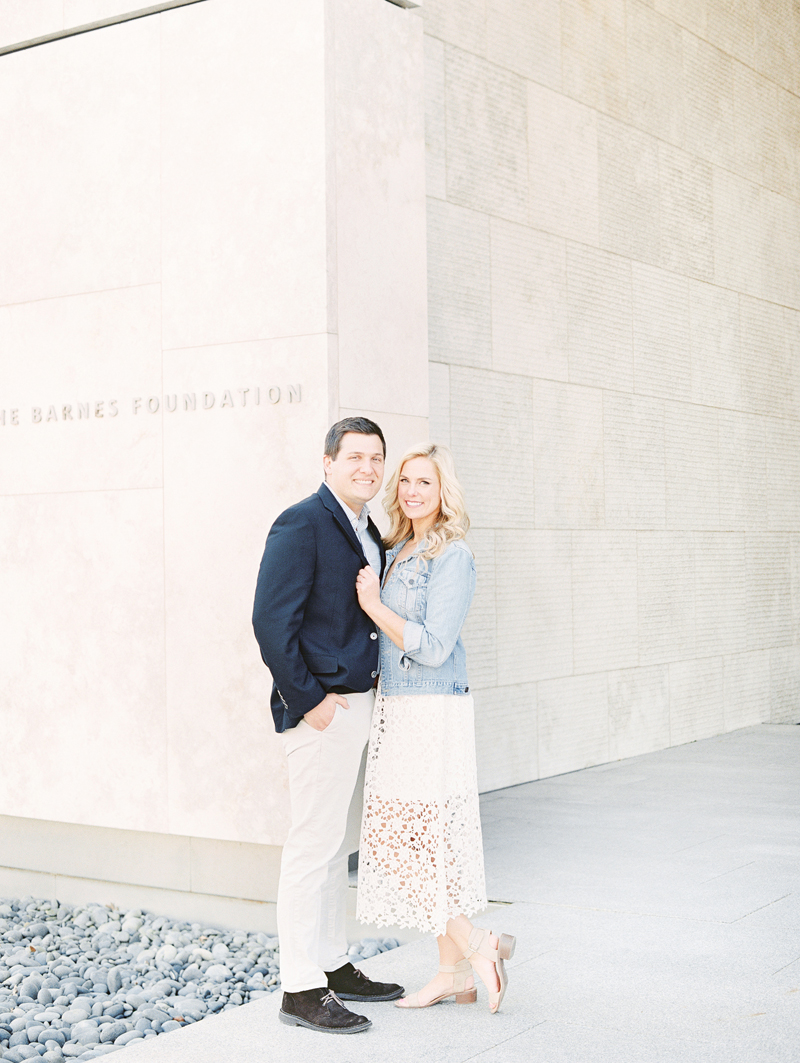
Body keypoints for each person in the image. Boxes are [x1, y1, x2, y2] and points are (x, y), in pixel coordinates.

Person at [252, 417, 404, 1035]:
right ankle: (299, 987)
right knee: (311, 846)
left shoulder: (371, 529)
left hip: (359, 705)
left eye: (376, 458)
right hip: (322, 710)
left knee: (335, 845)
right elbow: (269, 621)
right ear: (327, 463)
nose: (366, 468)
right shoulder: (302, 522)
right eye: (354, 458)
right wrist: (308, 700)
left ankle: (333, 963)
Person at [354, 442, 515, 1013]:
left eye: (425, 482)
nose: (412, 491)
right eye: (406, 482)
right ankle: (456, 970)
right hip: (398, 708)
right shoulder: (396, 548)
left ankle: (477, 945)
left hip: (430, 710)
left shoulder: (453, 557)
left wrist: (375, 607)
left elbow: (433, 645)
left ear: (443, 491)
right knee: (414, 843)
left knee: (416, 842)